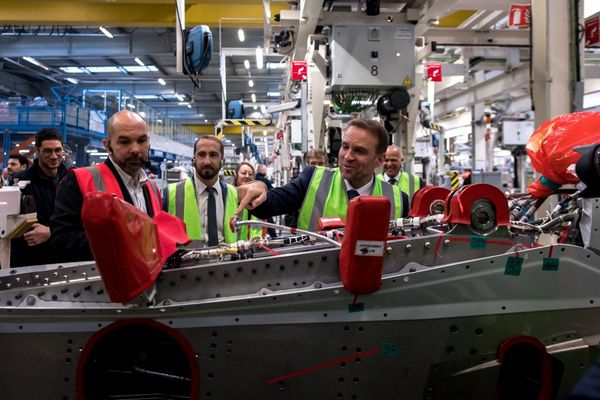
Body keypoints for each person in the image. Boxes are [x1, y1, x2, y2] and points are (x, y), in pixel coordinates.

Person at [237, 119, 408, 231]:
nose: (347, 156)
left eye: (359, 151)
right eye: (345, 146)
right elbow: (274, 202)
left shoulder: (399, 199)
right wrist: (261, 190)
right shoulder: (313, 179)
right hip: (317, 282)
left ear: (379, 160)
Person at [51, 110, 162, 263]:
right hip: (102, 283)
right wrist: (118, 237)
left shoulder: (153, 189)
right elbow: (61, 241)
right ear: (107, 145)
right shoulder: (79, 181)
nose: (135, 149)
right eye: (124, 142)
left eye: (141, 140)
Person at [163, 135, 249, 246]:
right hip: (186, 262)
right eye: (201, 155)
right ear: (193, 159)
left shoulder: (238, 196)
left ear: (222, 161)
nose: (207, 161)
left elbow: (241, 237)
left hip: (228, 261)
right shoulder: (170, 194)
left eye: (213, 155)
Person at [10, 129, 68, 267]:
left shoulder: (71, 179)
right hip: (33, 262)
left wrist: (50, 232)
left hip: (65, 258)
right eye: (48, 151)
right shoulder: (22, 182)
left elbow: (78, 221)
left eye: (58, 150)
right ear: (37, 152)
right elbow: (30, 229)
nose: (54, 156)